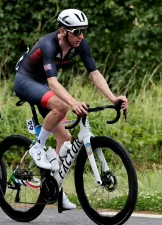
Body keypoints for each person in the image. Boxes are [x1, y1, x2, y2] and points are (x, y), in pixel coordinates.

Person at [14, 9, 128, 209]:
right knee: (62, 105)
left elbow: (94, 73)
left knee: (65, 139)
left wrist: (113, 98)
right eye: (76, 32)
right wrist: (74, 103)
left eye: (83, 31)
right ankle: (37, 147)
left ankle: (55, 189)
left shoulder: (80, 45)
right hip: (26, 80)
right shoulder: (48, 44)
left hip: (43, 85)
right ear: (63, 31)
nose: (81, 36)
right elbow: (53, 82)